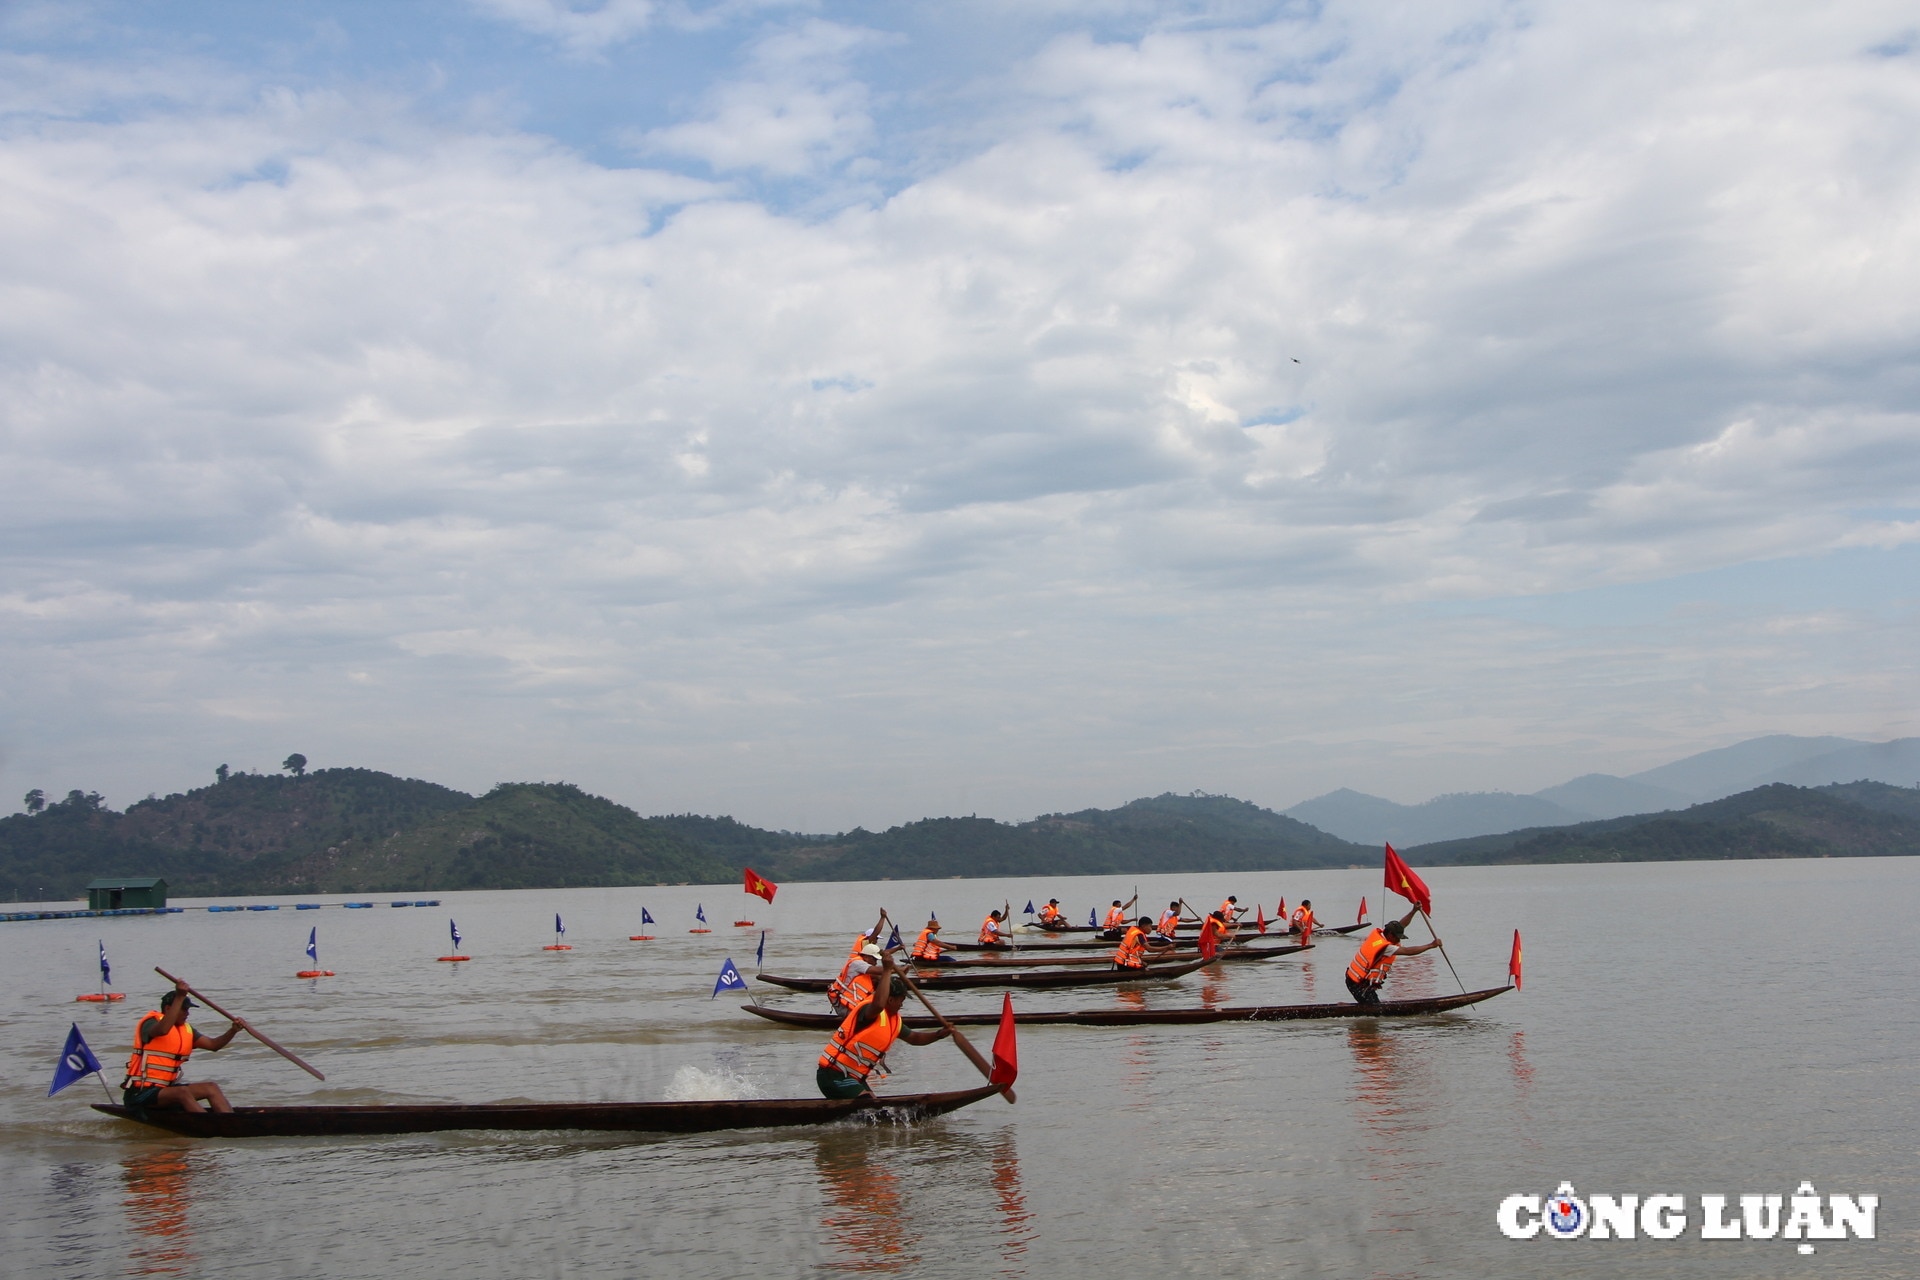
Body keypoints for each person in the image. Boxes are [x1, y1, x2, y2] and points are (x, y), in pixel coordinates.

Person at [816, 954, 952, 1099]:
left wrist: (939, 1034)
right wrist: (887, 970)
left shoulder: (894, 1021)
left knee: (874, 1106)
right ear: (891, 999)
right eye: (901, 1000)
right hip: (833, 1074)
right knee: (869, 1107)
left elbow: (915, 1038)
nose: (902, 1004)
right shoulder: (869, 1011)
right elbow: (879, 1004)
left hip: (854, 1077)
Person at [121, 985, 246, 1113]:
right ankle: (209, 1125)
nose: (187, 1013)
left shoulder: (186, 1030)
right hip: (140, 1093)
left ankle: (229, 1121)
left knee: (211, 1088)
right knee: (182, 1092)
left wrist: (233, 1030)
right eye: (184, 1009)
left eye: (188, 1010)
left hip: (166, 1090)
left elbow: (213, 1045)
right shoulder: (151, 1023)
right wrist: (180, 996)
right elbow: (163, 1030)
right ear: (169, 1008)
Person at [1344, 909, 1443, 1005]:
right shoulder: (1386, 947)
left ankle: (1347, 1006)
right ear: (1391, 935)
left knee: (1373, 1005)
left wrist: (1414, 911)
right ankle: (1344, 1008)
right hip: (1357, 983)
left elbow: (1402, 925)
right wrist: (1431, 945)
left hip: (1354, 979)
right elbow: (1407, 951)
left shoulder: (1381, 935)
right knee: (1376, 1010)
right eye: (1397, 937)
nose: (1399, 940)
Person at [829, 942, 882, 1015]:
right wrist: (896, 969)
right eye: (874, 960)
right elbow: (879, 970)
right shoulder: (857, 963)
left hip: (847, 1000)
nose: (876, 963)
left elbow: (879, 975)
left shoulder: (862, 964)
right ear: (866, 957)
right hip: (841, 1002)